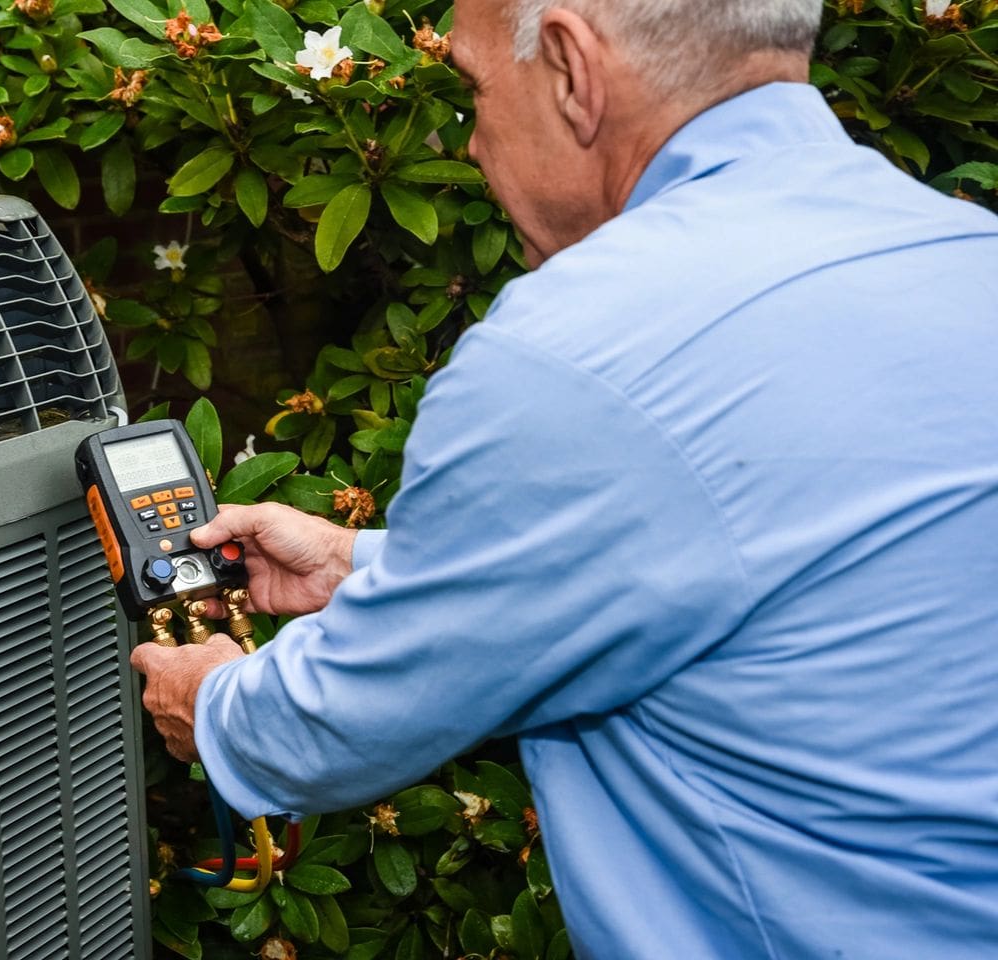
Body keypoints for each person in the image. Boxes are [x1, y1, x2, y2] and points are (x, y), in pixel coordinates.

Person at [130, 0, 998, 955]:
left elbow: (332, 727)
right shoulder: (963, 254)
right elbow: (773, 557)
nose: (468, 143)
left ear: (576, 73)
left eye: (472, 91)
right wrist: (360, 566)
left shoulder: (575, 348)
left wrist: (211, 701)